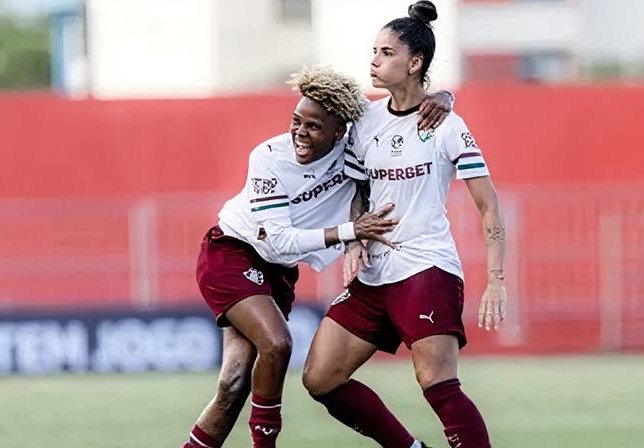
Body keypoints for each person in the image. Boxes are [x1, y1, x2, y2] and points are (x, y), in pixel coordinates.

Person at [182, 66, 451, 448]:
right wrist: (350, 233)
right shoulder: (269, 158)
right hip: (233, 253)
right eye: (296, 122)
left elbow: (400, 109)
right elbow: (277, 241)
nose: (300, 134)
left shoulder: (355, 146)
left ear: (339, 133)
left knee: (235, 382)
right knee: (277, 344)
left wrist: (444, 98)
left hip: (277, 272)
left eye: (313, 126)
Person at [302, 2, 506, 448]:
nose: (374, 60)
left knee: (436, 381)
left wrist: (496, 280)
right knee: (320, 377)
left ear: (415, 63)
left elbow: (489, 206)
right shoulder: (364, 121)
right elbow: (359, 192)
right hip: (376, 274)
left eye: (386, 52)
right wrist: (355, 238)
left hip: (426, 268)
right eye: (373, 51)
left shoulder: (447, 124)